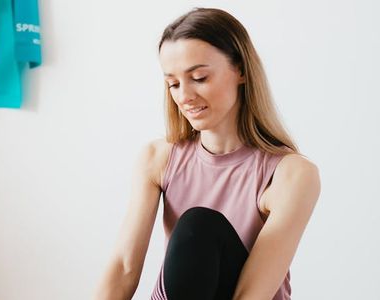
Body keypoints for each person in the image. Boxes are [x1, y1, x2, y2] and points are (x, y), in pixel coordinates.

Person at [92, 7, 321, 300]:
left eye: (199, 77)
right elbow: (124, 269)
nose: (184, 96)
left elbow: (251, 295)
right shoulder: (157, 158)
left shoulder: (290, 175)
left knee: (198, 227)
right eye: (173, 84)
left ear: (240, 70)